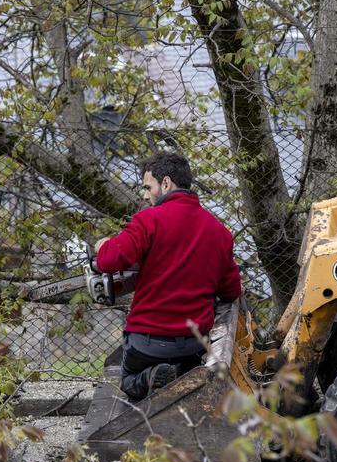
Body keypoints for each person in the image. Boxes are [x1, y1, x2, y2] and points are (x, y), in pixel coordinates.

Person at [94, 151, 242, 401]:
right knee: (181, 367)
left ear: (165, 183)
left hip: (147, 343)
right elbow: (231, 291)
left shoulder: (147, 221)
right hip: (193, 343)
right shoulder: (219, 231)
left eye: (147, 186)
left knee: (128, 382)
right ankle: (175, 374)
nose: (144, 194)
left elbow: (108, 261)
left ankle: (151, 377)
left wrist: (101, 246)